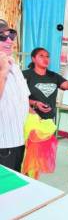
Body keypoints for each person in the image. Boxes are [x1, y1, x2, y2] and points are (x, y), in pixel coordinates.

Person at [22, 47, 68, 120]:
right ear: (33, 59)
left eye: (47, 56)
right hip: (30, 119)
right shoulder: (24, 75)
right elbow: (18, 98)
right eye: (41, 56)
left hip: (49, 120)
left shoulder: (53, 76)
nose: (45, 59)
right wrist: (35, 103)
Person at [0, 19, 30, 172]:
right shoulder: (4, 68)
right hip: (4, 143)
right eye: (2, 36)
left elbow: (23, 98)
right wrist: (3, 72)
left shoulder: (15, 65)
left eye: (11, 35)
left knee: (16, 180)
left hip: (19, 138)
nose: (9, 40)